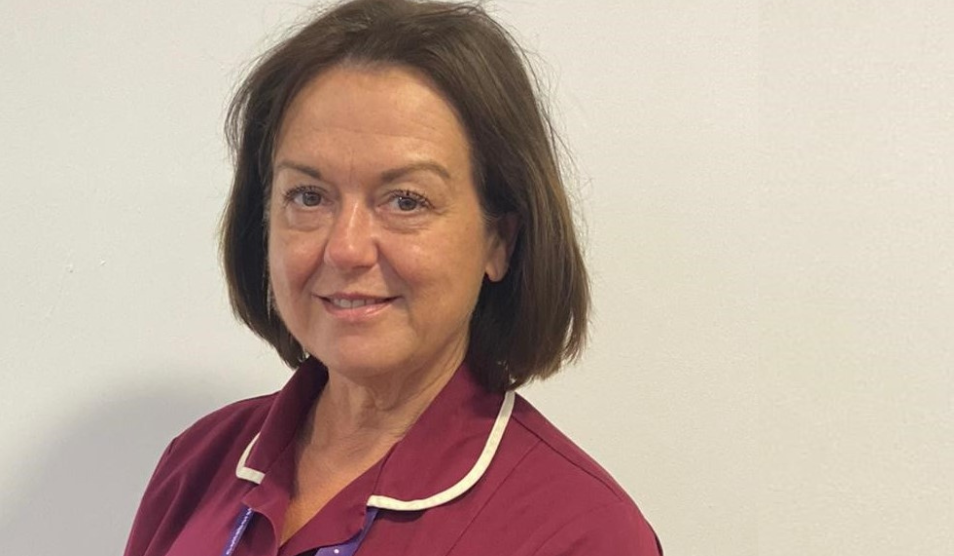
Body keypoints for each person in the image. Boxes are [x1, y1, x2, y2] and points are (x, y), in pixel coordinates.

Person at [124, 0, 662, 554]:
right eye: (308, 196)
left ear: (499, 240)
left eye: (406, 200)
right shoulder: (197, 464)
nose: (346, 248)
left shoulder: (580, 533)